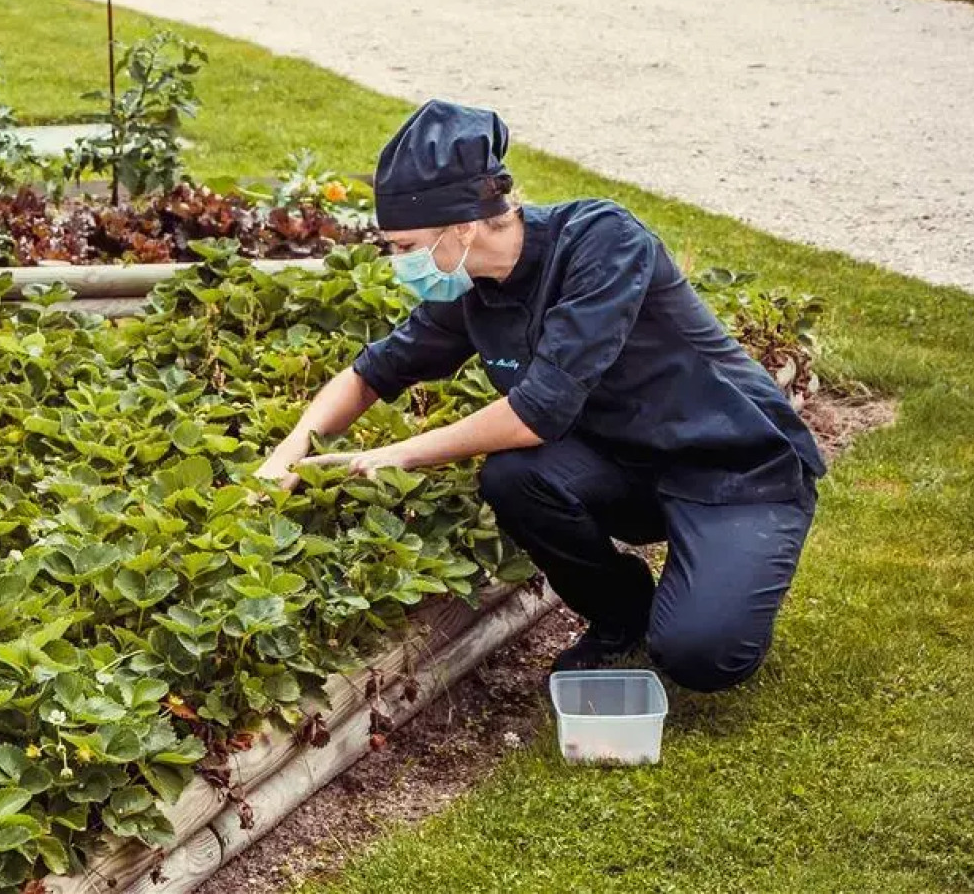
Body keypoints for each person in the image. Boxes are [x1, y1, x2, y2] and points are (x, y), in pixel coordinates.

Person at [256, 100, 825, 692]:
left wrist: (390, 455)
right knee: (514, 478)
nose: (399, 262)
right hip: (628, 466)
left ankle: (720, 574)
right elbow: (372, 373)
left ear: (463, 226)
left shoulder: (603, 243)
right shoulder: (471, 286)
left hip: (733, 466)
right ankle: (621, 613)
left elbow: (536, 412)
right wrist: (286, 456)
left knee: (699, 657)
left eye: (404, 246)